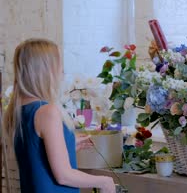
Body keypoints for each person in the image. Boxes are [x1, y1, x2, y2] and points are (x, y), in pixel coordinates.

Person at [2, 39, 115, 193]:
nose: (62, 72)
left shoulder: (17, 110)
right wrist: (104, 181)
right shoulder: (47, 111)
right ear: (45, 71)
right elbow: (63, 176)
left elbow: (35, 156)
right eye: (58, 65)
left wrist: (68, 145)